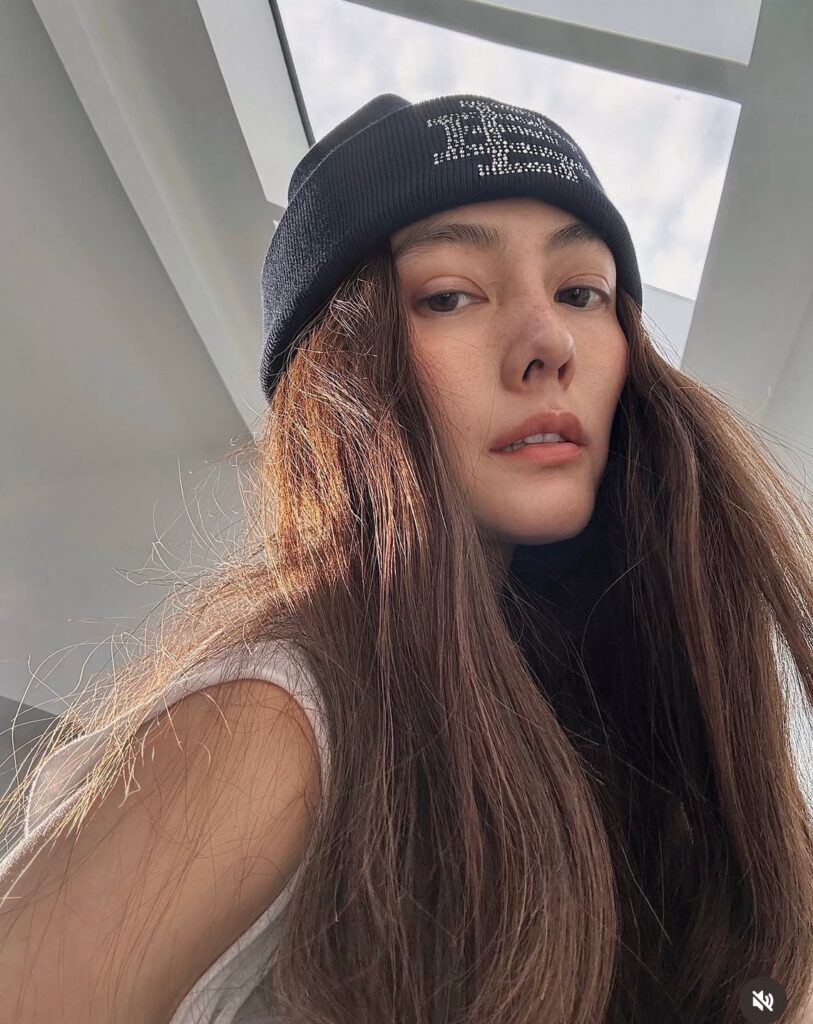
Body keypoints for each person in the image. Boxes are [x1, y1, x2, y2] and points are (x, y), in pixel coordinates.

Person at [1, 92, 812, 1024]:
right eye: (449, 295)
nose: (549, 343)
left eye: (581, 292)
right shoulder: (283, 715)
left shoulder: (662, 731)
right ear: (343, 371)